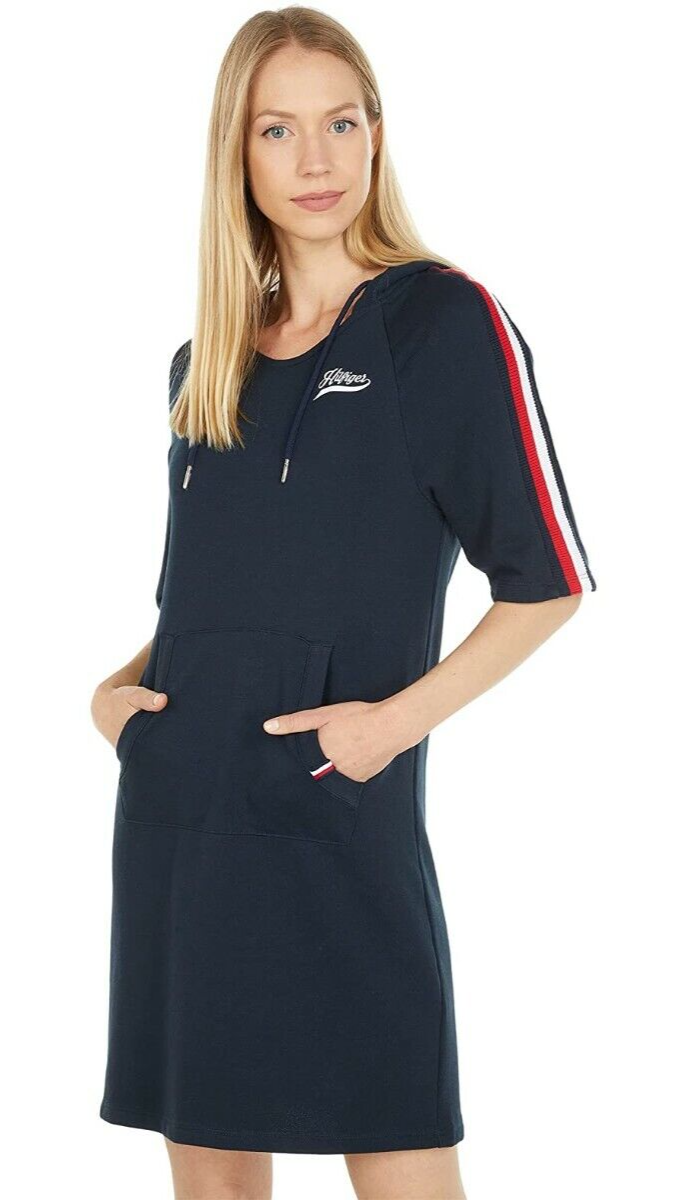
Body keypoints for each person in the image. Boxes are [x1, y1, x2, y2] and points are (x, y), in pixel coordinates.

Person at [90, 9, 597, 1200]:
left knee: (400, 1148)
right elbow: (201, 597)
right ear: (237, 152)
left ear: (377, 135)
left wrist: (389, 728)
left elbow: (549, 580)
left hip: (337, 814)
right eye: (278, 129)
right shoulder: (203, 366)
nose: (315, 159)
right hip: (181, 823)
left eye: (341, 123)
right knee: (211, 1173)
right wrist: (117, 698)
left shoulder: (442, 322)